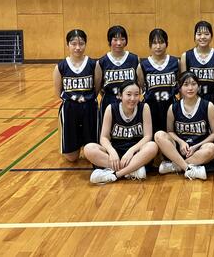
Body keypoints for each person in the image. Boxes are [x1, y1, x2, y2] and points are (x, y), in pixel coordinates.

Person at [85, 80, 159, 184]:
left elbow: (147, 136)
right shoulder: (111, 109)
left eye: (136, 94)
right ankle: (132, 170)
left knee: (152, 146)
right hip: (116, 153)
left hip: (136, 154)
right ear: (120, 95)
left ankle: (115, 174)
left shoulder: (144, 108)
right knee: (89, 148)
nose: (132, 98)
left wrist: (131, 151)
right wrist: (112, 151)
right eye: (128, 94)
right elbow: (104, 137)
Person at [154, 72, 214, 180]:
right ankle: (188, 168)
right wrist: (181, 142)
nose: (190, 88)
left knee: (212, 148)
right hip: (179, 150)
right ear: (180, 87)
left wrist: (196, 146)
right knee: (159, 135)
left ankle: (175, 166)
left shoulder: (208, 106)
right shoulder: (173, 108)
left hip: (198, 149)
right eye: (186, 84)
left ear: (198, 86)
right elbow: (170, 132)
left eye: (193, 84)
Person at [53, 29, 98, 162]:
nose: (78, 47)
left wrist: (87, 99)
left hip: (89, 108)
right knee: (72, 158)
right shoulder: (60, 67)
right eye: (73, 44)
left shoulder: (93, 64)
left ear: (85, 44)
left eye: (81, 43)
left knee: (91, 153)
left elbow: (97, 88)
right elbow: (58, 92)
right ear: (67, 45)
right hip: (70, 109)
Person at [94, 25, 139, 135]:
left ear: (126, 40)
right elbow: (98, 87)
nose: (119, 43)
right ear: (109, 41)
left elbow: (139, 83)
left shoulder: (134, 59)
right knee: (107, 133)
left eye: (122, 39)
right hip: (109, 102)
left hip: (130, 102)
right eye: (115, 39)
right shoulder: (102, 62)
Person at [180, 21, 214, 124]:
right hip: (193, 99)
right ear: (194, 36)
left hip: (213, 98)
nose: (202, 37)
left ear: (211, 36)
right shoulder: (186, 56)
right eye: (199, 34)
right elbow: (183, 86)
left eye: (206, 34)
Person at [137, 29, 179, 134]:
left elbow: (181, 84)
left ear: (167, 43)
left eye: (161, 42)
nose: (158, 46)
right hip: (151, 108)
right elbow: (142, 87)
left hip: (171, 106)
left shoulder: (175, 62)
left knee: (171, 136)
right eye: (154, 43)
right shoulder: (143, 65)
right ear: (150, 45)